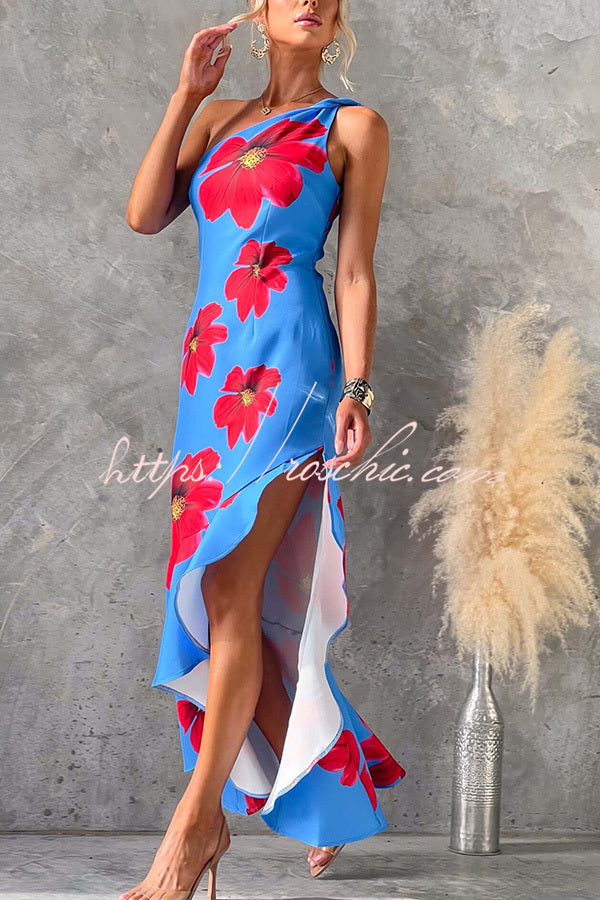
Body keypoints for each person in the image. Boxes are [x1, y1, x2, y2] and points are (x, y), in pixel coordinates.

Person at [120, 2, 406, 898]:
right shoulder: (217, 118)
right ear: (263, 12)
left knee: (230, 590)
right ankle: (331, 796)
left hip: (290, 371)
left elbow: (354, 267)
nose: (313, 0)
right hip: (210, 374)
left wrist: (357, 387)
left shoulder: (352, 127)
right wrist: (184, 95)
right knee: (224, 598)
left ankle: (195, 827)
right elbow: (144, 215)